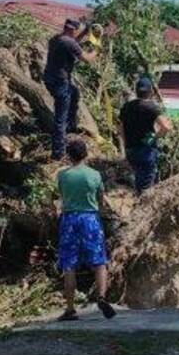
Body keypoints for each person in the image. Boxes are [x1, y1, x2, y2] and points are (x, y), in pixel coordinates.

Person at [54, 138, 116, 322]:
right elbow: (100, 198)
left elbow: (62, 196)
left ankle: (70, 309)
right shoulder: (94, 175)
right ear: (85, 154)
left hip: (69, 219)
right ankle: (102, 297)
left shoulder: (63, 175)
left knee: (69, 265)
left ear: (69, 155)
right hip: (90, 219)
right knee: (99, 262)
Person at [43, 18, 97, 160]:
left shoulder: (56, 38)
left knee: (74, 93)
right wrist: (97, 48)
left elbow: (73, 43)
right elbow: (88, 59)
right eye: (78, 30)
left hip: (50, 78)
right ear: (73, 30)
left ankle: (70, 126)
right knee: (60, 117)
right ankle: (58, 152)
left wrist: (85, 32)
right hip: (60, 82)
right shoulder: (69, 42)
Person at [119, 76, 174, 194]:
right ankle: (141, 202)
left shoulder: (126, 107)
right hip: (146, 150)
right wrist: (155, 136)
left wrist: (125, 146)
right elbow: (166, 126)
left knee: (137, 180)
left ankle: (136, 200)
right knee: (146, 187)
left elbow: (121, 128)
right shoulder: (151, 107)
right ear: (150, 91)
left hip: (131, 149)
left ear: (136, 90)